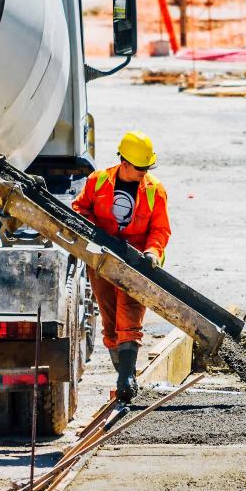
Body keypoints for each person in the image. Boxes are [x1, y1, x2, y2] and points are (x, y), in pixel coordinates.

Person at [71, 131, 170, 404]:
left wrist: (152, 252)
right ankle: (123, 373)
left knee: (130, 315)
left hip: (136, 262)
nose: (144, 173)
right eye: (140, 168)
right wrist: (91, 235)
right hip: (102, 261)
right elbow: (80, 209)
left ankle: (126, 376)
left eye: (147, 168)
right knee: (110, 319)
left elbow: (160, 230)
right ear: (124, 162)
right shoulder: (98, 181)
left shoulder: (154, 191)